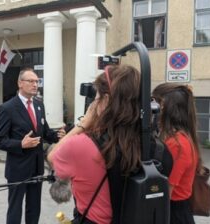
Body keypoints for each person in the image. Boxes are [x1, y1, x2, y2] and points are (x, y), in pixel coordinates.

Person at [48, 64, 142, 224]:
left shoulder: (82, 145)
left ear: (105, 101)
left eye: (96, 97)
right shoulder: (151, 142)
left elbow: (52, 156)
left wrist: (83, 123)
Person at [0, 68, 65, 224]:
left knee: (34, 208)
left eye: (37, 81)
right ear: (20, 83)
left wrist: (57, 135)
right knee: (15, 209)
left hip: (36, 167)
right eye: (31, 81)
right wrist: (20, 144)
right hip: (18, 169)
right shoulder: (7, 108)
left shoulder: (39, 105)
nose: (35, 85)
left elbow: (44, 132)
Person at [152, 83, 201, 224]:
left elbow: (166, 191)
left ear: (166, 108)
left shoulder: (177, 144)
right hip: (178, 210)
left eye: (156, 103)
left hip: (173, 213)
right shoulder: (182, 137)